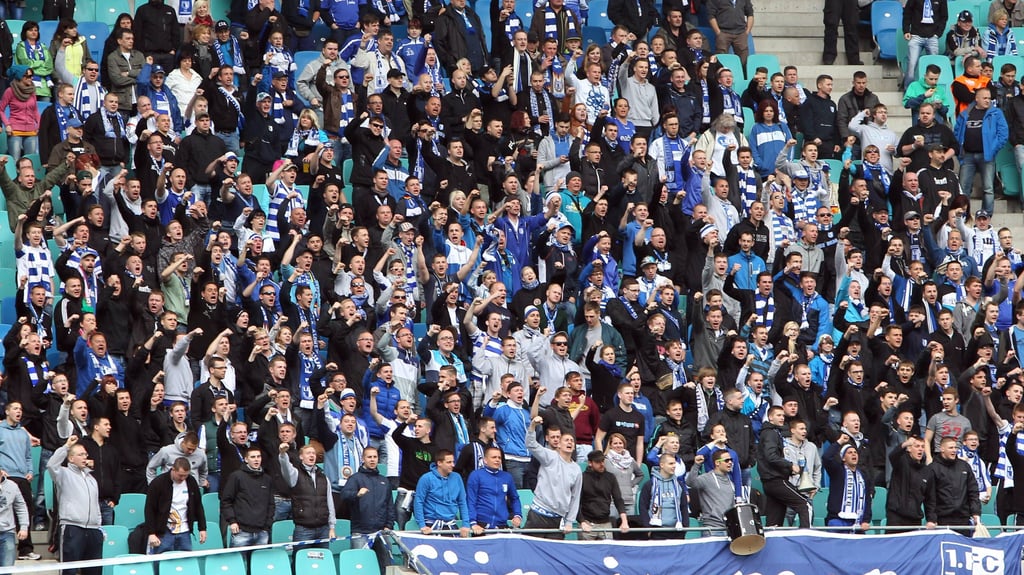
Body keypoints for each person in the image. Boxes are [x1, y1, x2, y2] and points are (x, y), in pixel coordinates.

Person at [48, 435, 102, 575]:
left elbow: (96, 504)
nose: (85, 457)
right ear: (71, 458)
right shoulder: (63, 474)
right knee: (69, 570)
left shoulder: (91, 479)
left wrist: (99, 526)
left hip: (93, 529)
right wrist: (66, 447)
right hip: (73, 527)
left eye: (85, 454)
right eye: (80, 454)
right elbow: (51, 465)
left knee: (94, 571)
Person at [524, 414, 582, 540]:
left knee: (553, 556)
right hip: (538, 514)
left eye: (572, 441)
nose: (570, 442)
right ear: (559, 445)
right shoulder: (549, 456)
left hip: (558, 518)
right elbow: (531, 444)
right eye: (566, 440)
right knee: (530, 550)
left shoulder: (577, 469)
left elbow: (575, 497)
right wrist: (533, 425)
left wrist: (569, 521)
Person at [953, 87, 1008, 215]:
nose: (988, 100)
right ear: (976, 99)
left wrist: (993, 149)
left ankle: (986, 216)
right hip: (967, 155)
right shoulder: (965, 113)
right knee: (964, 187)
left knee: (988, 188)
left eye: (989, 98)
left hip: (987, 156)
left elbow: (1003, 134)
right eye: (984, 98)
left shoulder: (996, 113)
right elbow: (956, 133)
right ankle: (964, 215)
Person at [339, 446, 392, 567]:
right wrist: (356, 494)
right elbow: (344, 495)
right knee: (360, 566)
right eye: (369, 457)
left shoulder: (384, 481)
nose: (372, 460)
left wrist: (389, 525)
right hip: (361, 531)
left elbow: (389, 505)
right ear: (363, 459)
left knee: (388, 567)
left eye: (375, 457)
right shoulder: (355, 478)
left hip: (382, 531)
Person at [144, 458, 207, 553]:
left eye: (185, 476)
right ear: (173, 469)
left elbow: (198, 505)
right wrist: (151, 533)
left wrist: (202, 528)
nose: (182, 478)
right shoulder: (158, 483)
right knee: (160, 562)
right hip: (164, 531)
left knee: (185, 563)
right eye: (180, 475)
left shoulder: (191, 482)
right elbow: (149, 509)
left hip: (185, 530)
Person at [924, 436, 982, 534]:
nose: (954, 450)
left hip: (963, 519)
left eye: (955, 448)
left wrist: (975, 512)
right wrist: (931, 519)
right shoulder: (933, 468)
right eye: (950, 448)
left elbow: (973, 491)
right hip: (942, 520)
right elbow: (930, 497)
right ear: (942, 449)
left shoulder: (964, 466)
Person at [221, 446, 276, 548]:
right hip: (241, 531)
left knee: (259, 563)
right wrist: (232, 521)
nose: (256, 459)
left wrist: (267, 525)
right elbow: (226, 501)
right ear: (246, 459)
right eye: (253, 457)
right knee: (238, 563)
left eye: (258, 457)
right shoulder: (236, 476)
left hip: (262, 531)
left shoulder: (267, 479)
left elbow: (271, 504)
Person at [413, 449, 471, 536]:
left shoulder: (457, 477)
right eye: (449, 462)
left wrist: (466, 525)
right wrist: (422, 525)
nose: (453, 465)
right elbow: (418, 502)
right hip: (431, 524)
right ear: (439, 463)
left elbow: (462, 502)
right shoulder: (426, 478)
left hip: (451, 524)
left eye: (453, 462)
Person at [466, 446, 522, 533]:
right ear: (485, 460)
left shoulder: (507, 477)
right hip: (481, 526)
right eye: (494, 457)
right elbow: (471, 501)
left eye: (499, 457)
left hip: (502, 525)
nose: (497, 460)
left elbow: (515, 498)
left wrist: (517, 515)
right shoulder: (476, 475)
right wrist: (473, 523)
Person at [577, 450, 630, 540]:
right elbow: (576, 502)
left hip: (606, 523)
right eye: (598, 462)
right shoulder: (582, 478)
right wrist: (582, 522)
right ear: (590, 463)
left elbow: (618, 499)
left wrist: (624, 521)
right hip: (587, 523)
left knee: (608, 553)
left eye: (602, 461)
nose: (601, 464)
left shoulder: (610, 477)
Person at [822, 437, 873, 531]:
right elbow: (826, 457)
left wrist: (866, 520)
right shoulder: (837, 471)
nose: (854, 454)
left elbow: (867, 500)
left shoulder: (863, 476)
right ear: (843, 458)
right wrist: (839, 441)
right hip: (837, 520)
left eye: (855, 452)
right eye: (850, 453)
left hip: (857, 522)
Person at [685, 448, 736, 536]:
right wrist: (696, 465)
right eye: (726, 460)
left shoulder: (730, 482)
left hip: (728, 529)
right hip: (712, 529)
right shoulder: (707, 478)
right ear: (717, 463)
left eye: (731, 460)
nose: (730, 462)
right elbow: (690, 483)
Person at [706, 0, 754, 66]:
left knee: (744, 58)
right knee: (721, 57)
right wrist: (718, 32)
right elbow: (711, 16)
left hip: (741, 33)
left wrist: (747, 31)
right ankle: (721, 74)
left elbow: (750, 14)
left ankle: (743, 74)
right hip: (723, 32)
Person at [0, 469, 28, 567]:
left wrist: (24, 527)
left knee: (7, 568)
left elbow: (21, 507)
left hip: (7, 532)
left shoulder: (12, 486)